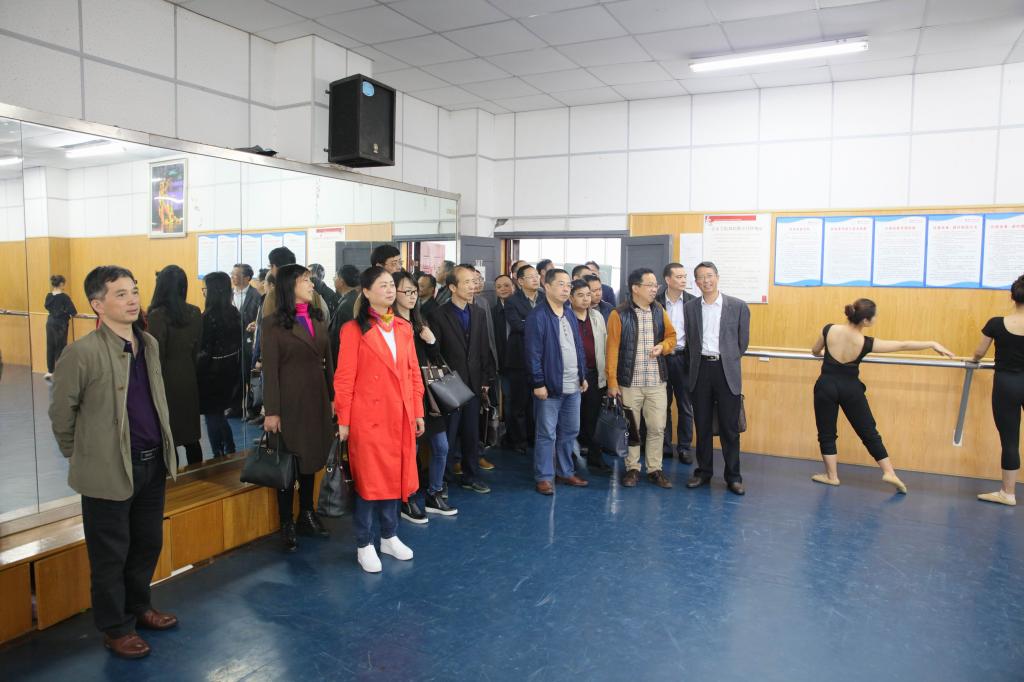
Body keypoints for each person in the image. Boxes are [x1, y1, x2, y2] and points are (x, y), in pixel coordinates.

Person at [49, 265, 179, 659]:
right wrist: (80, 456)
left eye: (134, 291)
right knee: (110, 554)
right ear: (98, 305)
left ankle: (139, 607)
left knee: (146, 544)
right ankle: (116, 627)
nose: (132, 299)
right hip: (107, 470)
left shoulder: (148, 344)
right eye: (120, 294)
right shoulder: (81, 353)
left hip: (151, 464)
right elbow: (61, 415)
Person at [810, 298, 953, 494]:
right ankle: (889, 472)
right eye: (874, 317)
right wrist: (931, 343)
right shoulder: (865, 343)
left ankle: (832, 476)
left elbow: (815, 351)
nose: (875, 319)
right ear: (865, 321)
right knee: (869, 432)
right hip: (851, 389)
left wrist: (828, 356)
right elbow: (903, 345)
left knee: (826, 433)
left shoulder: (828, 329)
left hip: (825, 386)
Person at [335, 267, 424, 573]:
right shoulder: (353, 330)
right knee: (369, 483)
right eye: (383, 285)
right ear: (366, 292)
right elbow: (344, 378)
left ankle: (389, 535)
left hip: (400, 415)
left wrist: (417, 411)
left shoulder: (403, 327)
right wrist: (344, 420)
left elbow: (413, 372)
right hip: (368, 418)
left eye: (391, 285)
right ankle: (364, 543)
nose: (390, 290)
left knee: (395, 478)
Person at [262, 264, 336, 551]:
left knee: (311, 456)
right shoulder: (272, 324)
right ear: (289, 286)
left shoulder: (317, 318)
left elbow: (328, 360)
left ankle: (307, 512)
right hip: (289, 400)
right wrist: (272, 411)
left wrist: (332, 397)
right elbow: (270, 370)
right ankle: (286, 522)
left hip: (316, 397)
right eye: (305, 280)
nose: (311, 284)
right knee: (288, 460)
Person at [393, 270, 457, 519]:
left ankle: (434, 493)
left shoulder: (421, 321)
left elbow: (435, 356)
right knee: (410, 450)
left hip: (428, 395)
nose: (412, 296)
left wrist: (431, 341)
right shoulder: (391, 324)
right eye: (407, 291)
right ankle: (406, 497)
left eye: (415, 292)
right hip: (406, 395)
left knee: (441, 446)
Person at [606, 268, 676, 489]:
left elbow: (672, 337)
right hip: (629, 383)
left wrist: (663, 347)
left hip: (656, 381)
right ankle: (633, 468)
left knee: (657, 427)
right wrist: (612, 382)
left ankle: (655, 468)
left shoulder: (659, 311)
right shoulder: (619, 314)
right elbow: (612, 350)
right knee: (632, 429)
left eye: (656, 285)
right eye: (650, 285)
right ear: (635, 288)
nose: (655, 289)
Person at [683, 261, 750, 495]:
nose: (706, 281)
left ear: (717, 277)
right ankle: (703, 472)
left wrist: (727, 358)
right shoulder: (690, 307)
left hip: (726, 370)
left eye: (709, 276)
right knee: (702, 425)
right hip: (700, 370)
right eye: (701, 277)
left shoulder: (738, 306)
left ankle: (733, 476)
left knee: (729, 428)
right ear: (696, 282)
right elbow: (690, 341)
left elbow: (742, 343)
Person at [429, 264, 496, 494]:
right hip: (449, 385)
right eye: (466, 282)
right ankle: (443, 480)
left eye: (474, 282)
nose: (472, 286)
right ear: (452, 287)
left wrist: (486, 379)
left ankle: (470, 476)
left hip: (474, 383)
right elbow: (435, 353)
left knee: (471, 434)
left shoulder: (478, 313)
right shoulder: (438, 314)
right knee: (448, 435)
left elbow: (483, 348)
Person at [526, 269, 589, 495]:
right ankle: (544, 477)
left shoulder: (569, 313)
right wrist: (538, 383)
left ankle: (565, 471)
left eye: (568, 285)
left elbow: (578, 347)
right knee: (547, 433)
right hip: (550, 386)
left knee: (570, 431)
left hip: (573, 385)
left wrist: (583, 375)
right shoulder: (538, 316)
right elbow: (533, 354)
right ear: (547, 286)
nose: (566, 288)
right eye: (561, 284)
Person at [971, 275, 1024, 506]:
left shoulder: (996, 323)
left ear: (1012, 297)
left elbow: (978, 353)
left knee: (1010, 441)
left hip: (1006, 385)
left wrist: (973, 361)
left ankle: (1008, 493)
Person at [147, 265, 203, 466]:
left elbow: (156, 355)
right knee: (191, 435)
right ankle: (197, 474)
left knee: (169, 435)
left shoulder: (157, 315)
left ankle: (174, 479)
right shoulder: (195, 312)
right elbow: (197, 348)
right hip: (188, 375)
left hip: (165, 379)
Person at [197, 272, 241, 458]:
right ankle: (229, 448)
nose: (204, 292)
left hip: (211, 375)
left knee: (212, 416)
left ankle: (218, 454)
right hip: (230, 371)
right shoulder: (234, 313)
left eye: (205, 289)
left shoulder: (207, 317)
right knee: (219, 414)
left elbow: (204, 352)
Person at [569, 279, 611, 474]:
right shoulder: (565, 317)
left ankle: (595, 457)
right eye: (581, 295)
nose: (586, 299)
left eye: (588, 294)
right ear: (571, 298)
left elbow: (605, 345)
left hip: (595, 375)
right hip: (573, 376)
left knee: (593, 419)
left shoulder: (597, 316)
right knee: (571, 420)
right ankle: (568, 460)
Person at [656, 263, 696, 464]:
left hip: (683, 358)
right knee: (662, 405)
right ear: (668, 280)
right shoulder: (655, 302)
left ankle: (684, 447)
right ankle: (664, 446)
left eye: (684, 277)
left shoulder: (692, 302)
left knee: (685, 406)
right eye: (679, 277)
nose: (683, 280)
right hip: (660, 358)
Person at [503, 264, 542, 450]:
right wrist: (539, 325)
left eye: (537, 276)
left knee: (536, 403)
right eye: (531, 276)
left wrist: (530, 322)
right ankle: (519, 440)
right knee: (519, 402)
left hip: (540, 358)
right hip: (518, 357)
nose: (536, 279)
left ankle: (533, 436)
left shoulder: (544, 298)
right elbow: (518, 326)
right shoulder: (512, 301)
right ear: (520, 281)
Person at [231, 264, 261, 419]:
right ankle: (235, 407)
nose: (232, 277)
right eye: (232, 274)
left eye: (236, 274)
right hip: (232, 342)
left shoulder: (256, 296)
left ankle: (252, 410)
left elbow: (259, 318)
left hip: (250, 342)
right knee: (235, 375)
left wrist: (255, 325)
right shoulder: (229, 294)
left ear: (247, 278)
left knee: (250, 375)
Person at [44, 274, 77, 380]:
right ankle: (60, 372)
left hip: (50, 323)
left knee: (50, 346)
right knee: (60, 347)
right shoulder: (64, 297)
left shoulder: (49, 296)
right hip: (61, 324)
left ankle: (50, 371)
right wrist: (67, 314)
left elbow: (47, 307)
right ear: (61, 284)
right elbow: (73, 312)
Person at [329, 264, 361, 366]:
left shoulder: (347, 305)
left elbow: (342, 339)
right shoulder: (353, 299)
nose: (333, 279)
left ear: (341, 281)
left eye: (335, 276)